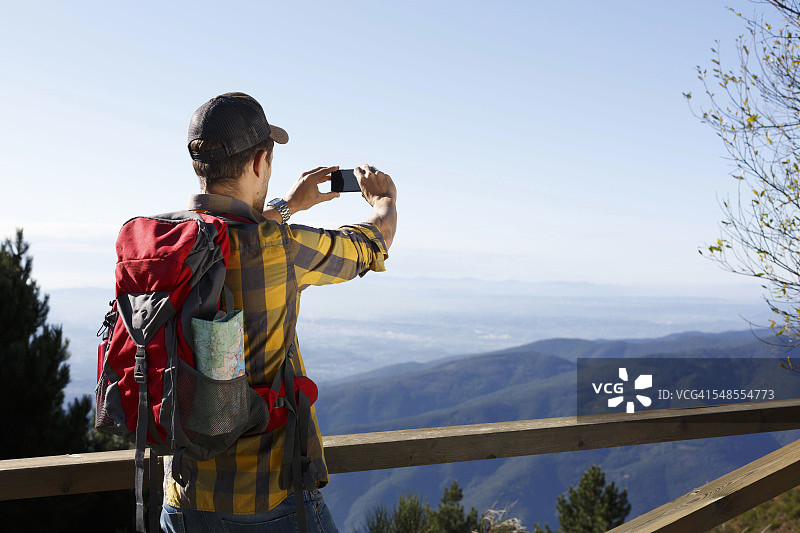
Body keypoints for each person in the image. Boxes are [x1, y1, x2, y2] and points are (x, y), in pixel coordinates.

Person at [160, 92, 397, 533]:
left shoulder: (170, 241)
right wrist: (384, 201)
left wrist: (290, 205)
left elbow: (232, 228)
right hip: (266, 496)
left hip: (182, 497)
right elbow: (372, 243)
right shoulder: (281, 248)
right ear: (259, 163)